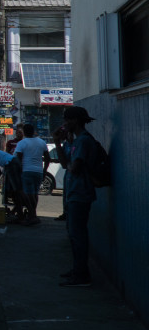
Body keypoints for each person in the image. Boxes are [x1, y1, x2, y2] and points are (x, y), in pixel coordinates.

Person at [54, 106, 103, 287]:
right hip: (74, 192)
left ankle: (82, 274)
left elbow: (73, 167)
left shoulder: (83, 141)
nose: (64, 123)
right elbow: (65, 163)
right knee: (74, 235)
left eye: (67, 120)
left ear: (74, 120)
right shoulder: (75, 141)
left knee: (78, 235)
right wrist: (59, 143)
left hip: (80, 193)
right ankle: (77, 270)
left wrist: (69, 162)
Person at [13, 123, 50, 227]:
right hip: (38, 171)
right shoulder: (41, 142)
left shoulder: (22, 143)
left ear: (24, 132)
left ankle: (32, 215)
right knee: (34, 193)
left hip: (27, 170)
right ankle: (32, 214)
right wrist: (44, 171)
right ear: (34, 131)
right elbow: (47, 159)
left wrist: (19, 170)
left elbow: (18, 158)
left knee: (27, 193)